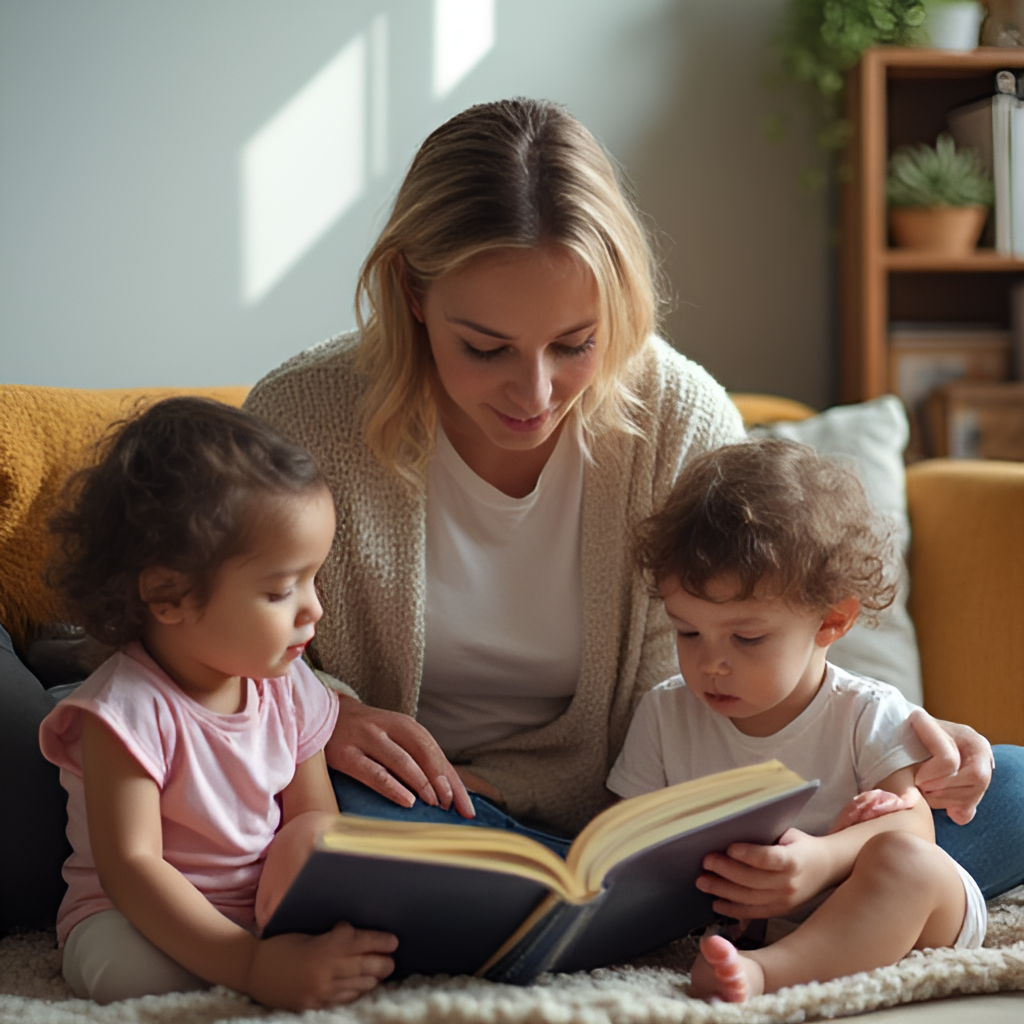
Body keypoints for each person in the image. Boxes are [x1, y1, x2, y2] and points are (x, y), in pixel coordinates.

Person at [242, 97, 1022, 884]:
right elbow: (184, 646)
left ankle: (568, 903)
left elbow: (730, 676)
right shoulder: (301, 418)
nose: (535, 393)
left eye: (576, 343)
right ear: (412, 292)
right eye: (485, 348)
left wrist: (890, 744)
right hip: (404, 805)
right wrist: (324, 715)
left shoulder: (679, 416)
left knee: (1005, 787)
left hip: (639, 822)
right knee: (320, 817)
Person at [37, 398, 397, 1009]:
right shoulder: (124, 713)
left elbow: (312, 812)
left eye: (314, 579)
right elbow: (132, 869)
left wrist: (309, 860)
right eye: (282, 589)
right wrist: (252, 964)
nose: (313, 609)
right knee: (125, 971)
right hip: (133, 916)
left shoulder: (287, 681)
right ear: (168, 593)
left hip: (256, 906)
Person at [607, 438, 986, 1001]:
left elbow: (914, 827)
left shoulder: (865, 709)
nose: (710, 663)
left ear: (831, 622)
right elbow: (622, 837)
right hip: (752, 916)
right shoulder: (665, 712)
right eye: (688, 632)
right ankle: (772, 955)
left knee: (906, 861)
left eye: (747, 637)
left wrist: (820, 860)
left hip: (892, 909)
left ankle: (768, 974)